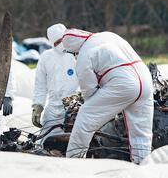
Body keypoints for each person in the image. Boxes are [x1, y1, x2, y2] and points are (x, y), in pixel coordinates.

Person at [62, 29, 154, 164]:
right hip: (145, 80)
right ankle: (143, 169)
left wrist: (99, 109)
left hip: (123, 83)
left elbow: (89, 91)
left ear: (73, 48)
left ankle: (73, 163)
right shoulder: (109, 35)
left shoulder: (83, 55)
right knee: (141, 134)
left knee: (85, 116)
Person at [32, 24, 79, 140]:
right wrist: (38, 105)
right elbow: (40, 84)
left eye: (62, 40)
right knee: (45, 142)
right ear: (52, 43)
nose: (61, 45)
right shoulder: (46, 57)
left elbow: (86, 80)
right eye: (57, 43)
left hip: (74, 108)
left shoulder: (77, 55)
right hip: (52, 108)